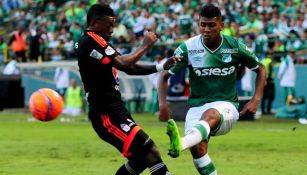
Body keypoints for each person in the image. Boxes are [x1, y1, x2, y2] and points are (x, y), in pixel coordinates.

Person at [158, 4, 266, 175]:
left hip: (226, 106)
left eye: (211, 25)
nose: (206, 29)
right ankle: (187, 144)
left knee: (211, 115)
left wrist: (255, 99)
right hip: (196, 107)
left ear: (221, 25)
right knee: (199, 151)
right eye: (203, 25)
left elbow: (260, 69)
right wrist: (162, 104)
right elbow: (164, 76)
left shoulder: (235, 46)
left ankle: (181, 143)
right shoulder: (188, 48)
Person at [76, 4, 180, 175]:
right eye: (109, 24)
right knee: (150, 151)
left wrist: (160, 66)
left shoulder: (95, 42)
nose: (112, 29)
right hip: (106, 114)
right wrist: (145, 45)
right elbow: (125, 64)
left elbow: (132, 69)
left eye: (114, 25)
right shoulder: (92, 39)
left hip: (115, 111)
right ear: (95, 22)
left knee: (140, 159)